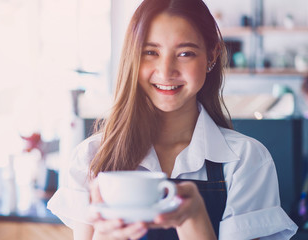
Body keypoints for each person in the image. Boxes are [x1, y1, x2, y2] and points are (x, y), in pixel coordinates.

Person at [48, 0, 298, 239]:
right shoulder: (91, 158)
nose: (166, 71)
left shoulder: (245, 161)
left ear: (211, 56)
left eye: (185, 53)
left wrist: (195, 218)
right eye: (150, 52)